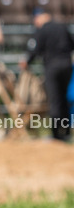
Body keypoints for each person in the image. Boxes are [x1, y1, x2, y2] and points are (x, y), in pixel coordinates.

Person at [20, 9, 74, 142]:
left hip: (52, 67)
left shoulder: (42, 30)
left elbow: (34, 50)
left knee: (54, 100)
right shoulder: (62, 27)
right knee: (64, 99)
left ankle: (56, 134)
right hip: (67, 66)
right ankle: (66, 132)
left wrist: (26, 62)